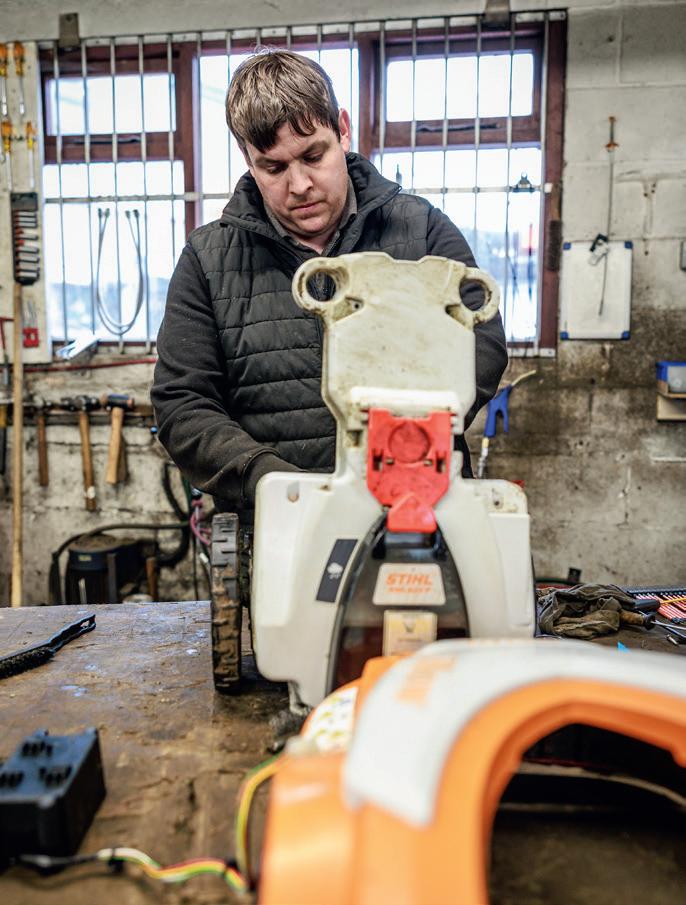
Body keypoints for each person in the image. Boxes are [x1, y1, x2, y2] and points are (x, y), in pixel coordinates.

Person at [151, 49, 507, 523]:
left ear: (342, 128)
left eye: (313, 155)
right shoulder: (208, 260)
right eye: (273, 167)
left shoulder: (421, 231)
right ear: (247, 159)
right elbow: (183, 405)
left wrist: (400, 441)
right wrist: (271, 483)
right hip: (275, 521)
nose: (299, 184)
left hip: (416, 509)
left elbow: (482, 345)